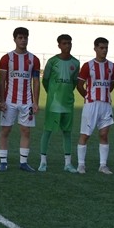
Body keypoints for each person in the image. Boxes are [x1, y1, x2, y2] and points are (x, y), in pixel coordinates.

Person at [0, 27, 40, 172]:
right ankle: (3, 162)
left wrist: (35, 102)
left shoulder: (34, 59)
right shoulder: (6, 58)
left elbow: (36, 82)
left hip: (27, 101)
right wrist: (2, 101)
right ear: (14, 39)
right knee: (6, 130)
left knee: (26, 131)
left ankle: (23, 163)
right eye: (20, 37)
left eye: (25, 37)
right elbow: (1, 81)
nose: (23, 40)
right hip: (9, 101)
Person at [76, 37, 114, 174]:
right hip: (91, 105)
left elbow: (111, 84)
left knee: (104, 134)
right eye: (101, 47)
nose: (104, 50)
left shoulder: (112, 66)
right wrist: (88, 96)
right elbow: (79, 85)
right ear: (95, 48)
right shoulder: (88, 66)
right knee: (85, 135)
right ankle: (81, 164)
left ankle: (103, 165)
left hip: (106, 105)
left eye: (106, 47)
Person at [39, 34, 78, 172]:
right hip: (53, 103)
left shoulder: (75, 63)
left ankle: (68, 163)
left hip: (68, 103)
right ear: (59, 45)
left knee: (67, 132)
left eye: (69, 43)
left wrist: (66, 94)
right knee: (48, 130)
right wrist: (53, 94)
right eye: (64, 43)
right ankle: (43, 162)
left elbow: (74, 83)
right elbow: (45, 80)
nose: (67, 46)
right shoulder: (52, 61)